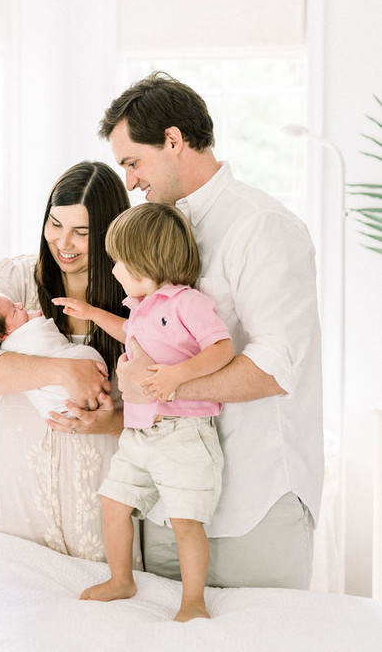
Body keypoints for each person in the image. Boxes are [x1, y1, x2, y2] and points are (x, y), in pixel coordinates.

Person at [98, 71, 324, 590]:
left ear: (173, 141)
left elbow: (274, 366)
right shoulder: (153, 229)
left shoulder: (262, 226)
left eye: (133, 161)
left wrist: (159, 384)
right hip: (166, 501)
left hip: (254, 501)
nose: (129, 181)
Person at [54, 203, 234, 621]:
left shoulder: (187, 303)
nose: (114, 270)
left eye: (120, 262)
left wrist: (178, 376)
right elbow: (128, 331)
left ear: (149, 262)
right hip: (138, 434)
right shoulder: (142, 308)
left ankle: (193, 601)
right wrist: (94, 315)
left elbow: (221, 347)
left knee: (185, 520)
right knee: (113, 502)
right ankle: (122, 580)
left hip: (183, 432)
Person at [0, 161, 136, 563]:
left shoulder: (135, 290)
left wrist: (116, 421)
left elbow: (168, 390)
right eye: (54, 224)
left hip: (94, 475)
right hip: (8, 476)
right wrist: (61, 371)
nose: (63, 243)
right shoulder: (16, 279)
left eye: (81, 232)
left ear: (109, 231)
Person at [0, 285, 106, 418]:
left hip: (58, 406)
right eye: (14, 310)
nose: (20, 305)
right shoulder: (16, 344)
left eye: (15, 304)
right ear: (2, 336)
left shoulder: (18, 327)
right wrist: (36, 319)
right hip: (60, 396)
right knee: (85, 358)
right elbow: (44, 344)